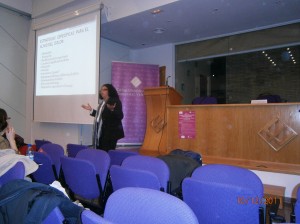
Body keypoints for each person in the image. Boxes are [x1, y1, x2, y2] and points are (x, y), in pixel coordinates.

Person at [82, 84, 124, 151]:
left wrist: (112, 110)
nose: (102, 91)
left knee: (107, 152)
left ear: (110, 91)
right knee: (101, 151)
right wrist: (91, 110)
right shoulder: (103, 102)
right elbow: (101, 115)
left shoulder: (115, 101)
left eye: (104, 89)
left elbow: (120, 116)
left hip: (110, 133)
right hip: (102, 132)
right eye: (101, 90)